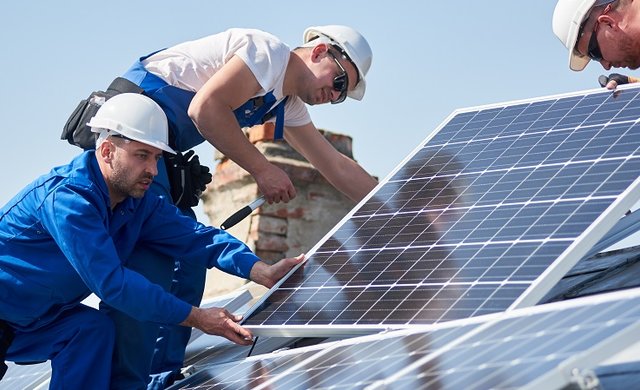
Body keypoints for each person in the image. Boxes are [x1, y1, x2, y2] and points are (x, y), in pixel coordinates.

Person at [63, 25, 378, 388]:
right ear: (321, 51)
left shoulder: (284, 102)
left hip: (161, 156)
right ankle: (127, 382)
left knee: (189, 265)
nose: (334, 95)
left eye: (341, 96)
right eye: (340, 82)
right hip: (131, 146)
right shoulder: (267, 53)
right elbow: (205, 108)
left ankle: (160, 377)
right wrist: (263, 168)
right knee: (153, 264)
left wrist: (396, 203)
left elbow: (334, 164)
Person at [0, 93, 303, 389]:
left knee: (90, 331)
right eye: (142, 155)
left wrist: (259, 270)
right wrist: (196, 317)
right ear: (106, 152)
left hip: (36, 322)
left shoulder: (138, 204)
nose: (153, 170)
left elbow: (197, 238)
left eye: (156, 157)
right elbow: (114, 284)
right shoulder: (67, 201)